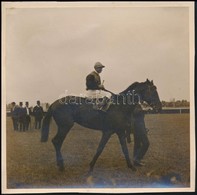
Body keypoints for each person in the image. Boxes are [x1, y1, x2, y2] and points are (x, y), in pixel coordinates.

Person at [133, 101, 150, 166]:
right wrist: (144, 110)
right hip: (138, 127)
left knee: (137, 144)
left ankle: (136, 160)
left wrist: (144, 127)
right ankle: (137, 158)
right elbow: (135, 112)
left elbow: (140, 118)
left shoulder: (138, 104)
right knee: (146, 143)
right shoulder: (135, 105)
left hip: (138, 126)